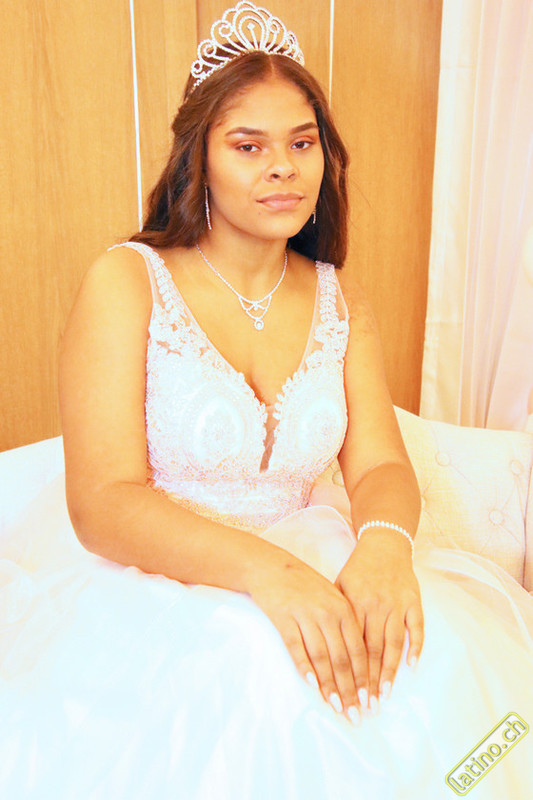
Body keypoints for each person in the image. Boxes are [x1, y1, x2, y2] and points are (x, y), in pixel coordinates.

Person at [1, 2, 533, 798]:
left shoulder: (339, 297)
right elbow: (102, 502)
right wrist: (271, 576)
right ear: (199, 159)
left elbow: (379, 464)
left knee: (429, 657)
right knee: (261, 667)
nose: (282, 167)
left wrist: (384, 549)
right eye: (248, 145)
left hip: (311, 553)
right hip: (162, 583)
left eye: (301, 143)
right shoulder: (126, 281)